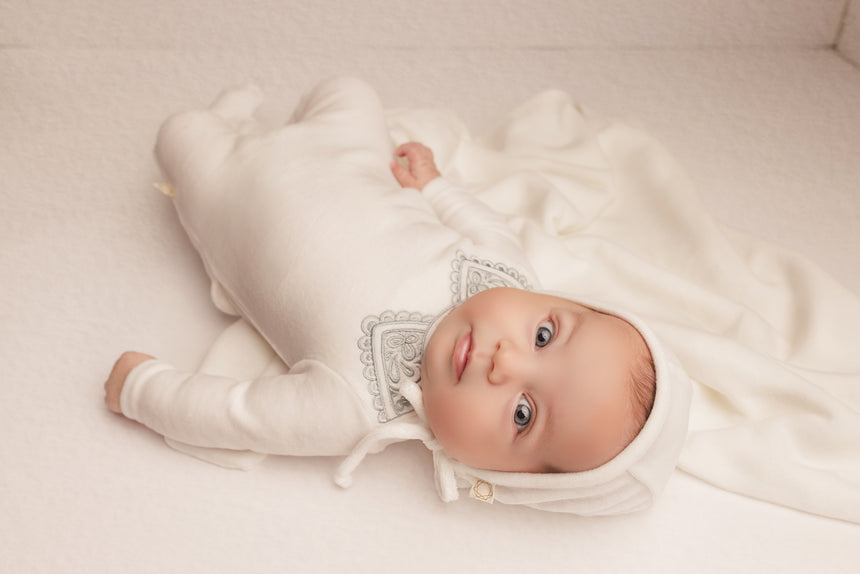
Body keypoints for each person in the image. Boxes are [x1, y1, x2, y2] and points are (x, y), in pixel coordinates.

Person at [104, 77, 691, 514]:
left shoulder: (355, 408)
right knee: (349, 90)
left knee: (180, 137)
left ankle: (222, 127)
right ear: (558, 302)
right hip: (347, 158)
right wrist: (433, 184)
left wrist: (142, 389)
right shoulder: (500, 271)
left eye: (522, 413)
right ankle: (266, 123)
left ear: (499, 476)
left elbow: (239, 415)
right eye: (544, 335)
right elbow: (481, 221)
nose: (505, 361)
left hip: (232, 201)